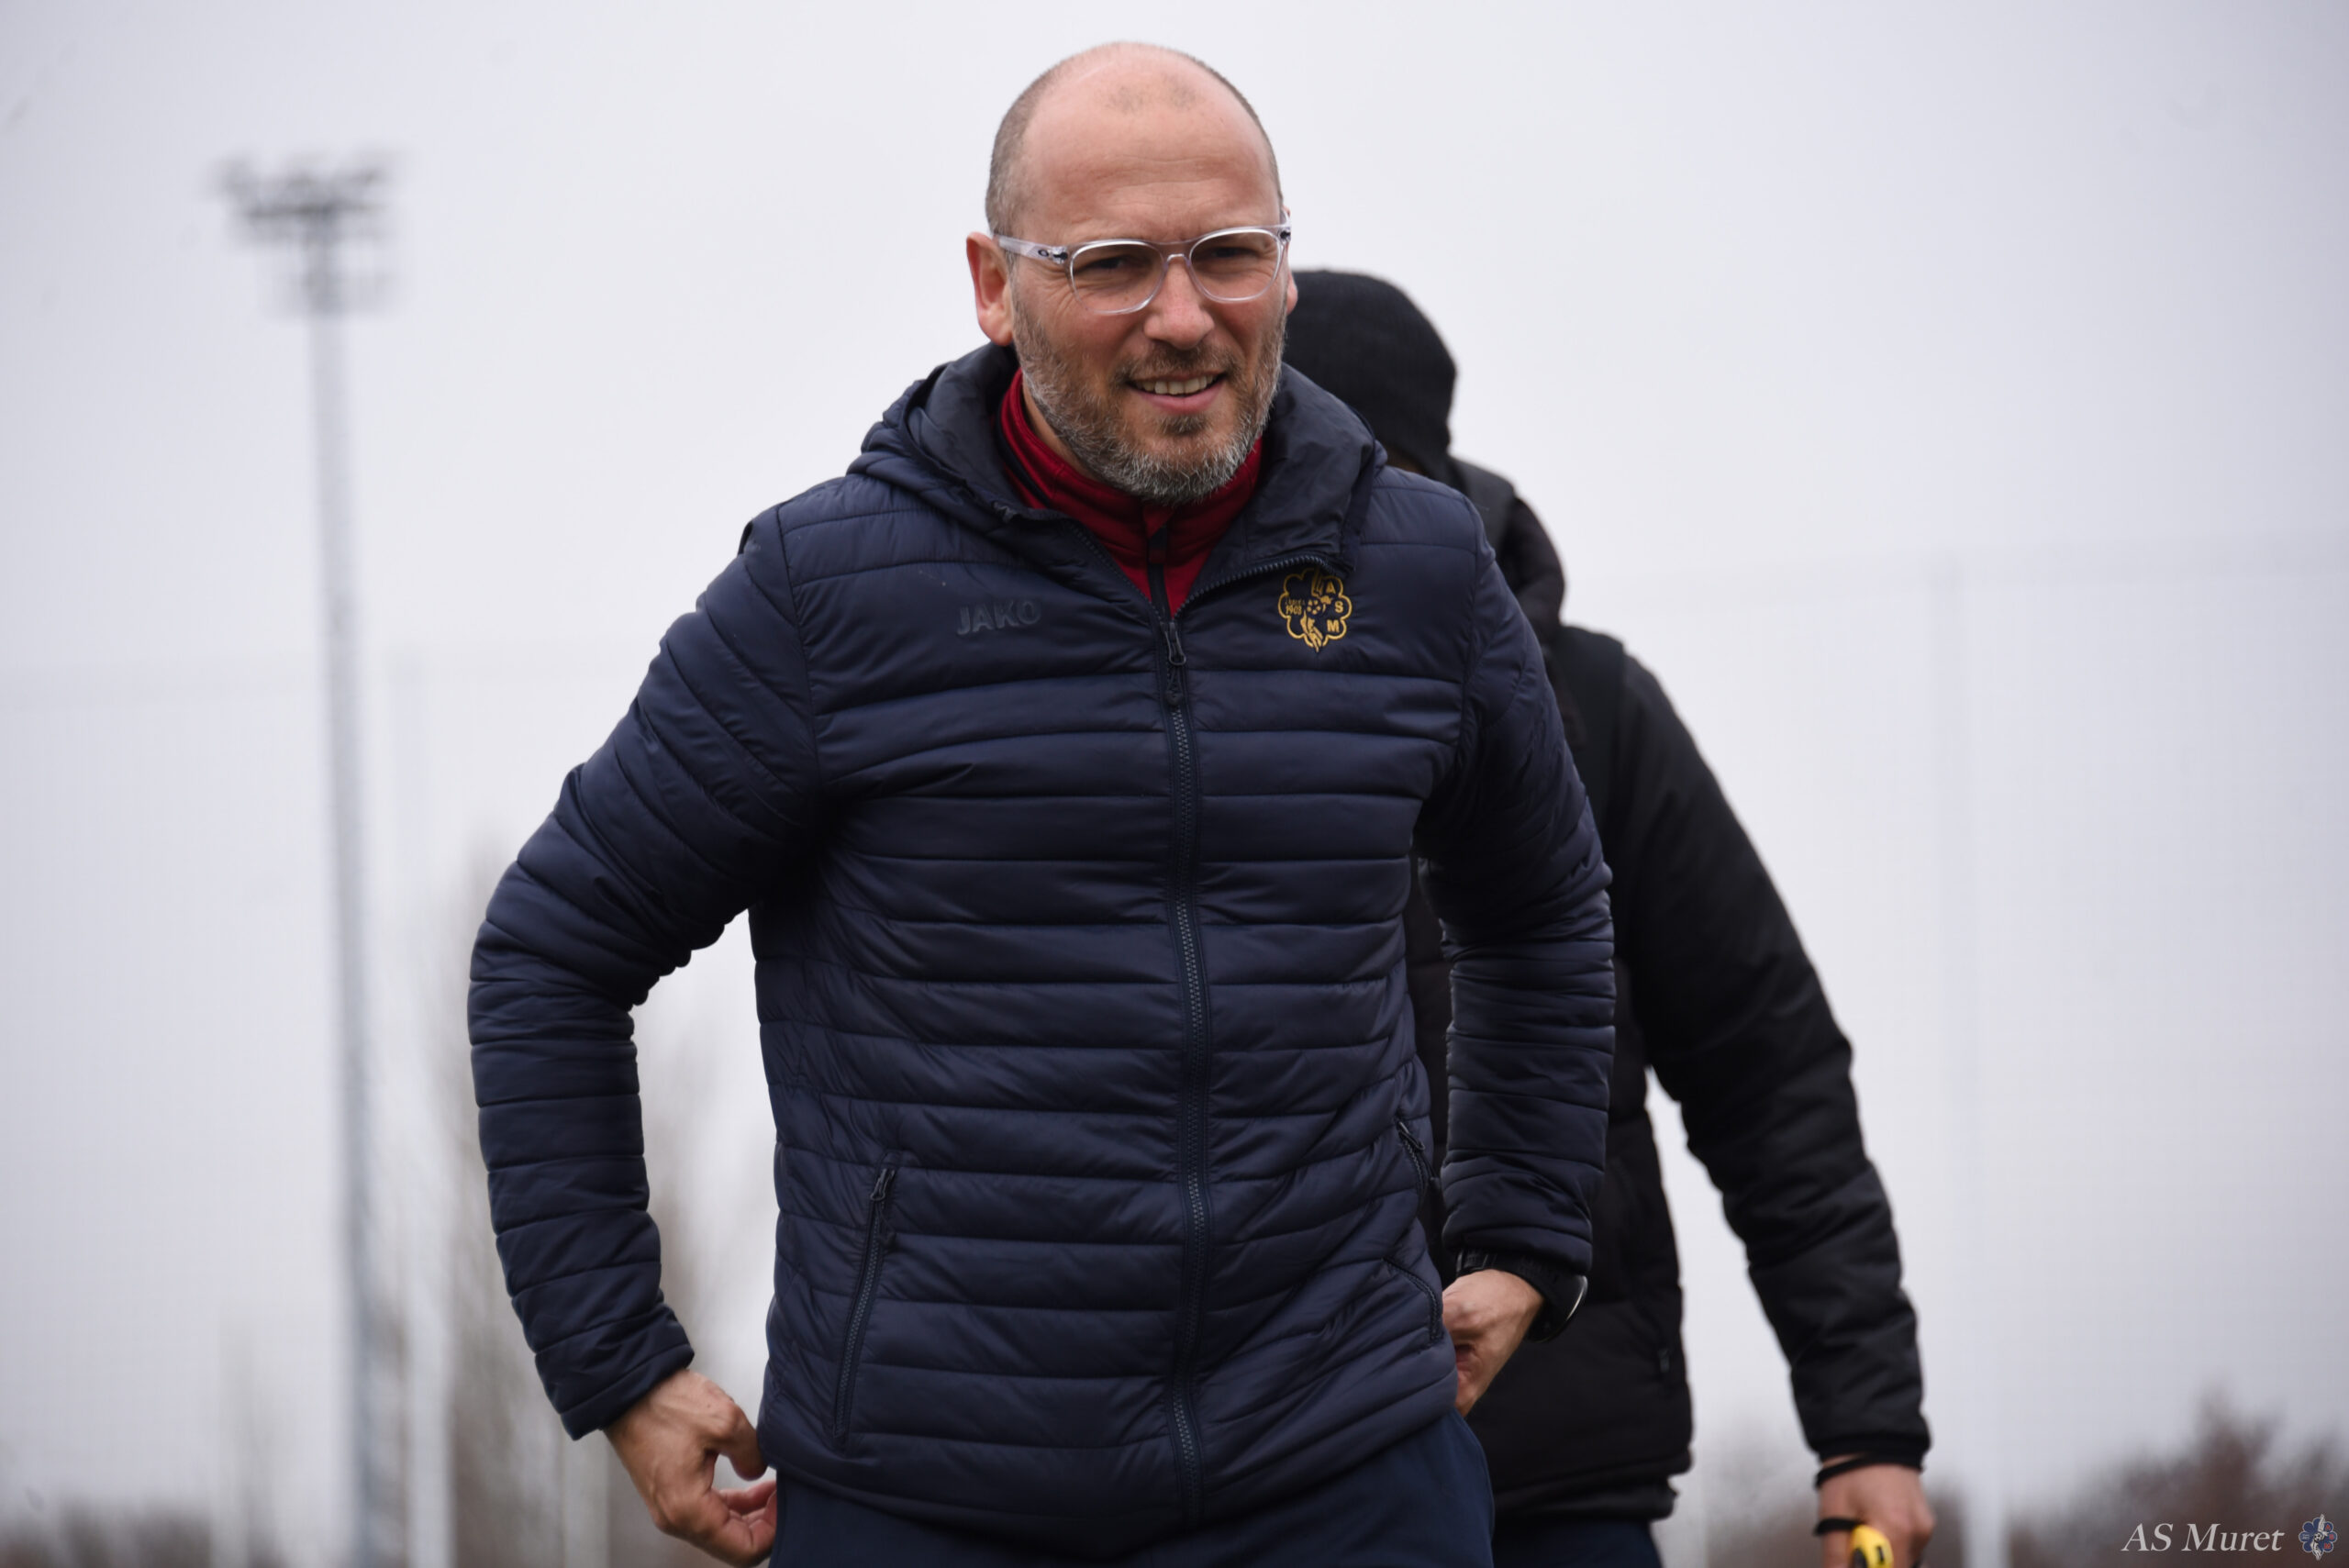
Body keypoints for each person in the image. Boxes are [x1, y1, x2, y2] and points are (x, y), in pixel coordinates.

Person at [469, 46, 1617, 1567]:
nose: (1183, 315)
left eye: (1228, 253)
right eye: (1112, 264)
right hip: (925, 1500)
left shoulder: (1420, 570)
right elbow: (553, 951)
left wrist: (1523, 1230)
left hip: (1346, 1479)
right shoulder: (825, 597)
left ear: (1284, 265)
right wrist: (617, 1359)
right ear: (993, 286)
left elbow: (1541, 909)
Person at [1282, 272, 1935, 1568]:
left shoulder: (1589, 709)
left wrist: (1867, 1425)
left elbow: (1768, 1074)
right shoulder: (1148, 707)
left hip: (1552, 1467)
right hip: (1249, 1482)